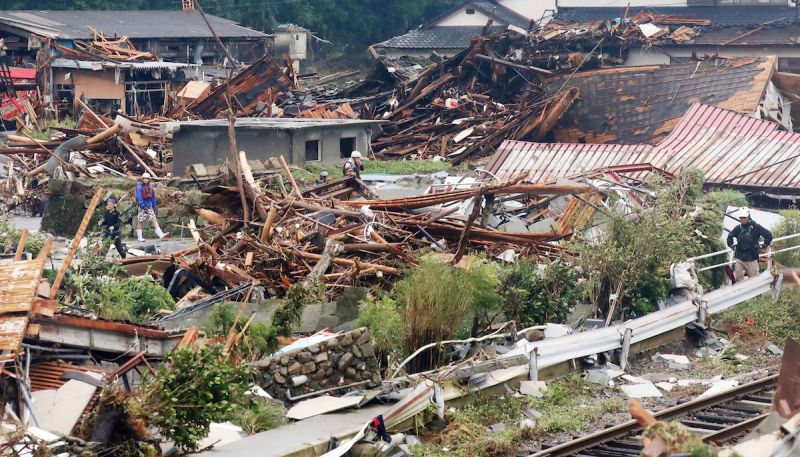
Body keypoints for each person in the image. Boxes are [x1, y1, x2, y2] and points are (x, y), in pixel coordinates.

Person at [726, 207, 772, 281]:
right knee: (738, 279)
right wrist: (731, 245)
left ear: (748, 216)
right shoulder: (738, 228)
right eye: (741, 217)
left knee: (755, 279)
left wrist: (764, 245)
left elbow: (768, 235)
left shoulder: (756, 227)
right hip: (740, 258)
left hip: (752, 259)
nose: (743, 219)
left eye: (744, 217)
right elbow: (730, 235)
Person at [136, 173, 170, 242]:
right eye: (144, 179)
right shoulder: (139, 187)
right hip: (143, 206)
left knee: (154, 219)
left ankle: (160, 234)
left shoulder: (151, 187)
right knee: (140, 221)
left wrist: (154, 206)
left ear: (149, 180)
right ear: (142, 179)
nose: (145, 180)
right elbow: (139, 197)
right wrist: (142, 205)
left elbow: (153, 198)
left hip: (149, 206)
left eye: (147, 179)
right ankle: (139, 237)